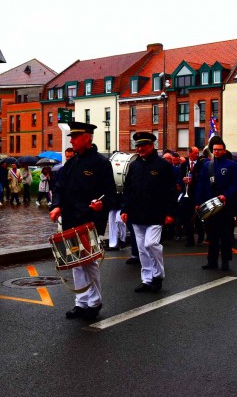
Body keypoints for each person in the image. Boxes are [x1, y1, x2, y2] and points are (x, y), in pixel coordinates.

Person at [50, 122, 116, 320]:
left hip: (89, 219)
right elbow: (59, 188)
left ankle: (94, 302)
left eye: (75, 137)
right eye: (71, 137)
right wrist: (57, 205)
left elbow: (110, 194)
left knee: (89, 263)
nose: (71, 140)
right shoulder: (71, 163)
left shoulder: (101, 163)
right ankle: (81, 303)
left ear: (87, 138)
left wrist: (101, 204)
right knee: (75, 263)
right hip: (71, 218)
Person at [121, 132, 176, 292]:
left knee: (151, 244)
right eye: (137, 146)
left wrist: (170, 213)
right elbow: (128, 189)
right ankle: (146, 280)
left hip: (155, 213)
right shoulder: (134, 165)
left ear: (152, 146)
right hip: (137, 214)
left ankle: (158, 275)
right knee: (142, 249)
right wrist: (125, 209)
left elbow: (171, 191)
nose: (139, 149)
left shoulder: (163, 166)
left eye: (143, 146)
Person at [195, 136, 237, 272]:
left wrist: (226, 195)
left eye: (219, 150)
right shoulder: (207, 165)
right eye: (215, 150)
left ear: (224, 150)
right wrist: (198, 202)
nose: (217, 152)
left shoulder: (231, 165)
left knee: (225, 235)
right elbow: (201, 184)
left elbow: (236, 184)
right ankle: (212, 261)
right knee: (212, 235)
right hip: (210, 205)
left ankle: (226, 261)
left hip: (225, 206)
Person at [179, 146, 205, 246]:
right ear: (189, 153)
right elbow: (179, 177)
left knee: (198, 217)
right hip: (187, 195)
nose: (197, 155)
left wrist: (193, 178)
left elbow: (203, 178)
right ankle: (190, 240)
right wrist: (183, 180)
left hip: (197, 194)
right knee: (187, 218)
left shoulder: (201, 164)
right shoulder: (184, 164)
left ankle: (201, 236)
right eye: (195, 153)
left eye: (198, 153)